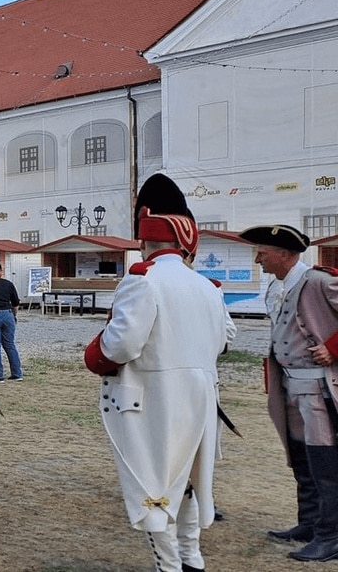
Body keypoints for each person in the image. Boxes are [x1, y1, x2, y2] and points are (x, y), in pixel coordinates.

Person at [84, 173, 229, 571]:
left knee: (155, 488)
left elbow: (121, 345)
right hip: (200, 400)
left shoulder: (142, 281)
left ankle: (168, 566)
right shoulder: (207, 287)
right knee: (188, 487)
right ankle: (192, 558)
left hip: (153, 400)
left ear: (145, 239)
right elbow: (221, 342)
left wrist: (92, 354)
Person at [240, 222, 338, 562]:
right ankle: (309, 524)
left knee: (326, 462)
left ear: (285, 254)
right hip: (291, 386)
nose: (258, 260)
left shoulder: (319, 281)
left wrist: (334, 347)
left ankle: (331, 537)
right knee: (302, 458)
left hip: (319, 387)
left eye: (263, 253)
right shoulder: (279, 286)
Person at [0, 261, 23, 381]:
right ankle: (17, 373)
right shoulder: (8, 284)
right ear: (0, 271)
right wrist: (14, 315)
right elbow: (16, 303)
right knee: (10, 345)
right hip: (7, 314)